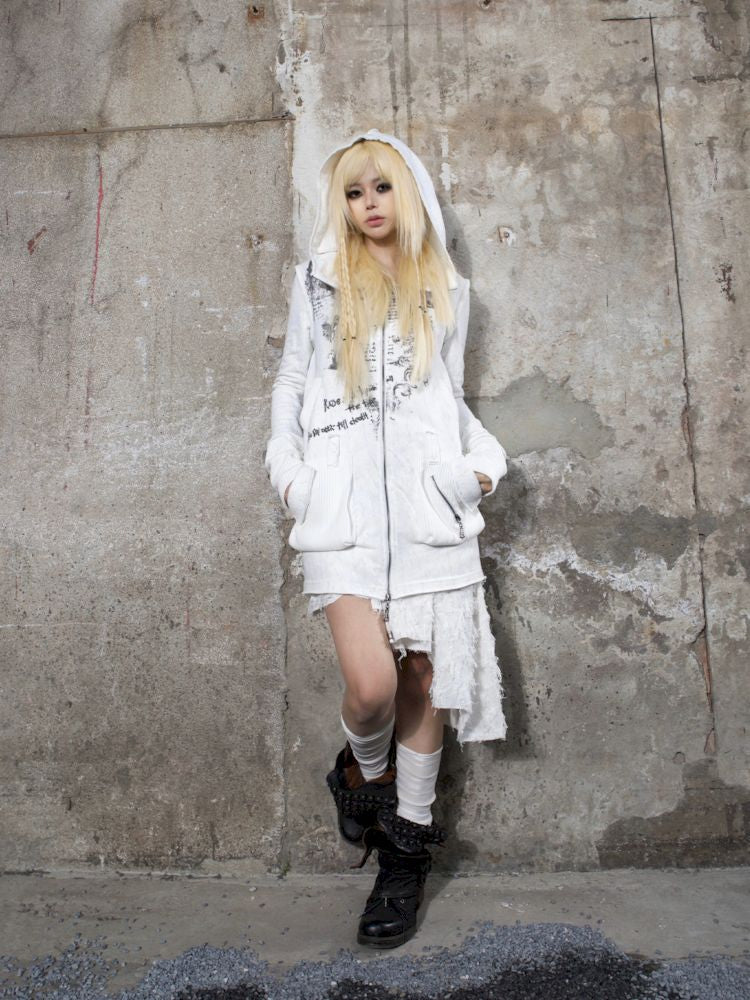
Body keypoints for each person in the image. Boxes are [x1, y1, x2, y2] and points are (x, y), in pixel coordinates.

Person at [263, 127, 509, 949]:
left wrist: (478, 469)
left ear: (409, 193)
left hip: (427, 516)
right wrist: (291, 477)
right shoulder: (318, 278)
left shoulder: (447, 288)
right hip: (342, 516)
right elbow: (292, 378)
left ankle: (405, 853)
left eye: (381, 187)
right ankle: (363, 778)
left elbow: (450, 400)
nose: (369, 204)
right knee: (371, 689)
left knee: (423, 682)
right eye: (354, 191)